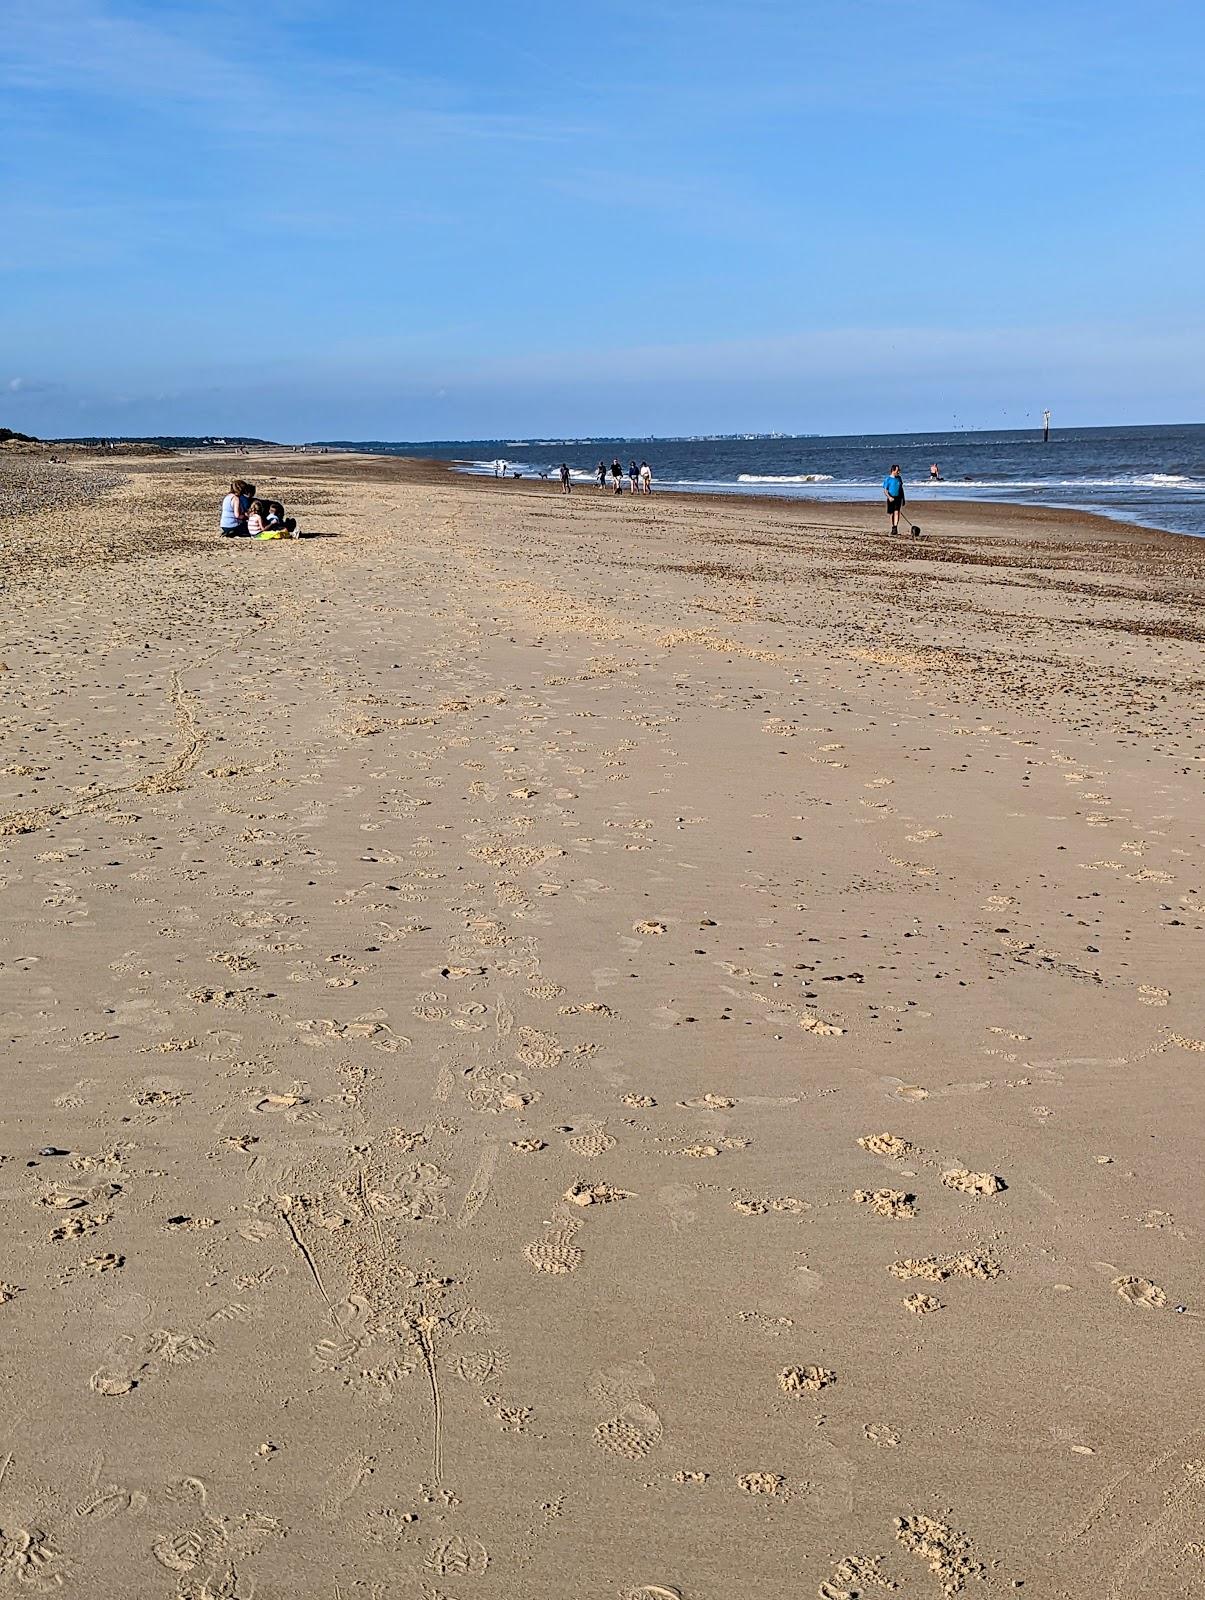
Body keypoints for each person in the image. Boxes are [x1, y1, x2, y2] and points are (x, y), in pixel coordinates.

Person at [882, 464, 905, 534]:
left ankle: (895, 527)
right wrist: (889, 497)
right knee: (892, 513)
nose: (898, 472)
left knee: (897, 512)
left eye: (899, 471)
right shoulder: (888, 479)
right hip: (891, 497)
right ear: (893, 470)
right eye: (897, 470)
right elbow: (885, 490)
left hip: (898, 497)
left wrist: (903, 498)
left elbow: (901, 489)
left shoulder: (899, 478)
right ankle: (893, 526)